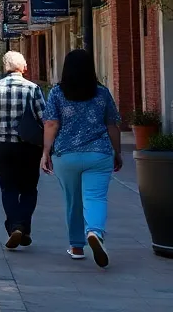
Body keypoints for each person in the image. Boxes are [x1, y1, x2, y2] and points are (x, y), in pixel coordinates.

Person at [41, 49, 122, 267]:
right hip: (99, 153)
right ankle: (94, 232)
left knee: (73, 200)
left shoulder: (57, 93)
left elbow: (51, 123)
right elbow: (112, 125)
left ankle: (76, 246)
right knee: (95, 197)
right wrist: (118, 152)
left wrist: (45, 151)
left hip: (66, 155)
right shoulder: (102, 93)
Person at [0, 50, 45, 250]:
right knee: (28, 189)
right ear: (23, 67)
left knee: (8, 188)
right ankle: (22, 227)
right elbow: (45, 118)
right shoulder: (33, 89)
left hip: (3, 145)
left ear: (5, 67)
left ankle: (16, 227)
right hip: (29, 146)